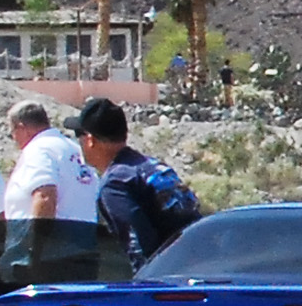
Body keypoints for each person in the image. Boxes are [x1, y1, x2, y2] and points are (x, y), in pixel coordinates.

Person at [78, 98, 206, 273]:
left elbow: (138, 246)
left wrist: (145, 287)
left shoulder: (115, 184)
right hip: (202, 266)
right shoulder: (154, 166)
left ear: (90, 140)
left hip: (169, 281)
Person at [0, 98, 107, 284]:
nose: (14, 139)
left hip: (51, 259)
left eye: (12, 132)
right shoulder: (73, 149)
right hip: (83, 250)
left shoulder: (39, 150)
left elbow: (45, 196)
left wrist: (33, 250)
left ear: (22, 128)